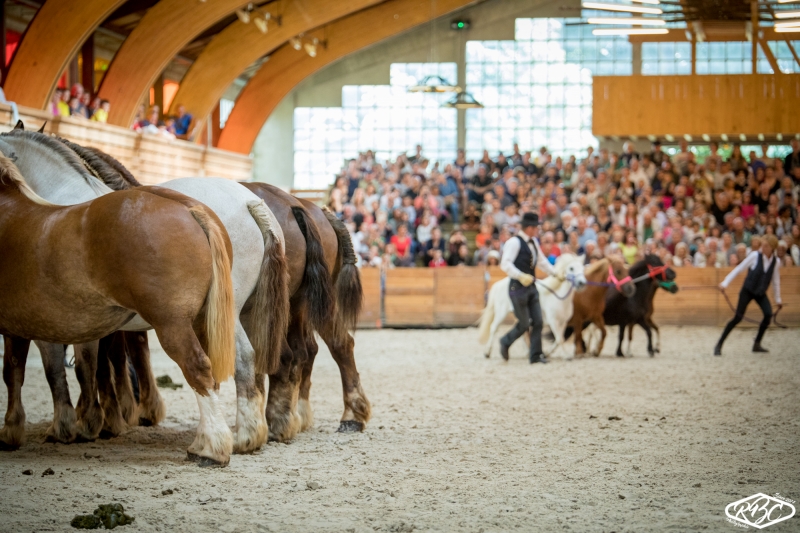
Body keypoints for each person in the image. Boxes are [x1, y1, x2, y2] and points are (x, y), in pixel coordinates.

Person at [498, 212, 556, 364]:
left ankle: (536, 355)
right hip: (517, 288)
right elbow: (505, 263)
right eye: (536, 227)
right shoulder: (514, 242)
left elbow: (542, 262)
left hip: (531, 287)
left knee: (538, 321)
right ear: (530, 228)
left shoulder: (534, 242)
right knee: (524, 324)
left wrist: (556, 273)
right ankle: (505, 341)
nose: (537, 230)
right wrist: (520, 275)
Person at [714, 235, 782, 356]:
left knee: (768, 314)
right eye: (763, 245)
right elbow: (739, 268)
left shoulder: (776, 262)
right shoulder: (755, 256)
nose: (763, 248)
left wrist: (778, 299)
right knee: (737, 318)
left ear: (772, 248)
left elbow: (775, 281)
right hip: (747, 291)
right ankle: (719, 344)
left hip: (760, 293)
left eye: (766, 246)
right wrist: (725, 283)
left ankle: (757, 343)